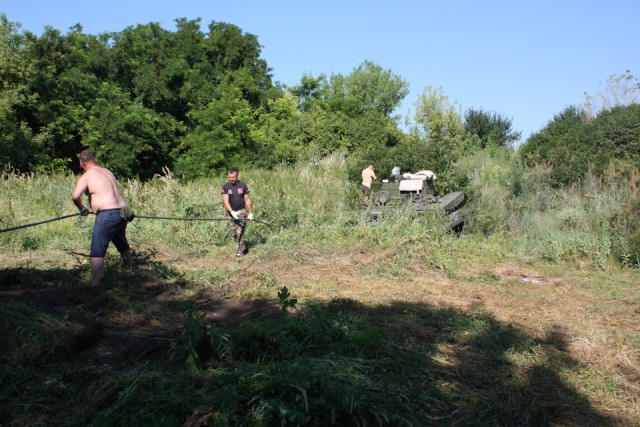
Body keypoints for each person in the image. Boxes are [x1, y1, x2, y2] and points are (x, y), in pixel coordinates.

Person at [72, 149, 132, 286]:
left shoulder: (87, 176)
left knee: (97, 248)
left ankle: (95, 283)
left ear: (81, 163)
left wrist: (82, 209)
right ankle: (130, 270)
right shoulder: (107, 172)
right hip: (123, 211)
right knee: (120, 241)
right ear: (95, 160)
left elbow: (75, 196)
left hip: (108, 213)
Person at [221, 168, 254, 257]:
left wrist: (251, 212)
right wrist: (232, 212)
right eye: (230, 177)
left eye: (233, 177)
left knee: (240, 231)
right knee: (234, 232)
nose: (231, 179)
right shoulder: (225, 187)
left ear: (237, 176)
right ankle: (242, 245)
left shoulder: (242, 186)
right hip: (230, 212)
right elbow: (226, 202)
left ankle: (240, 250)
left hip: (241, 211)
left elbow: (247, 199)